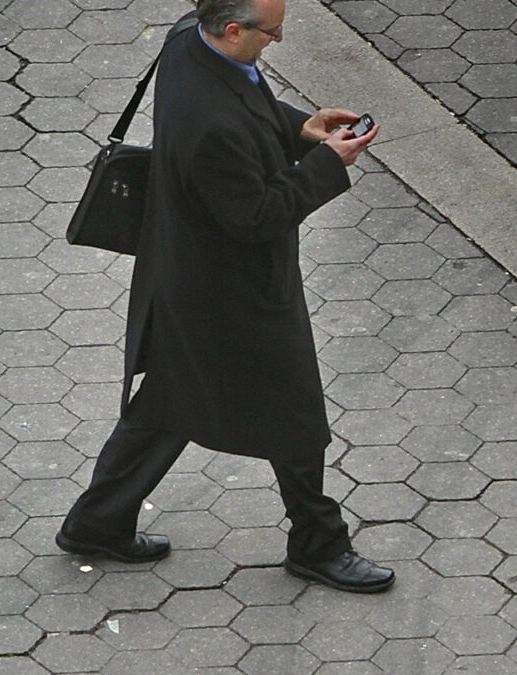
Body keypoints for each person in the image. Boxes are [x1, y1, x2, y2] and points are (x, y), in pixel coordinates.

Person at [56, 0, 394, 594]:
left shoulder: (189, 40)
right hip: (237, 292)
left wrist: (302, 126)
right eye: (271, 30)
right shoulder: (210, 127)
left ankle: (97, 522)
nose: (282, 38)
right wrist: (324, 162)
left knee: (170, 400)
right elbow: (257, 215)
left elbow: (248, 100)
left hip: (186, 276)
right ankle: (318, 544)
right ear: (231, 28)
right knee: (295, 417)